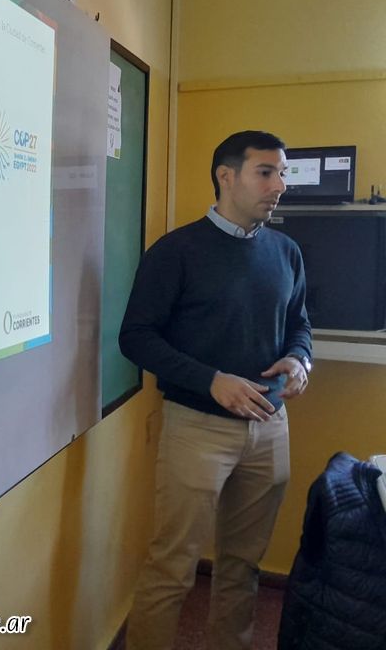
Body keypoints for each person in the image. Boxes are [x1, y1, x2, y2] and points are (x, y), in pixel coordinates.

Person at [120, 130, 313, 650]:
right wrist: (211, 380)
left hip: (269, 427)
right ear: (226, 177)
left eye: (282, 173)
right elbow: (135, 337)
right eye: (265, 173)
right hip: (197, 428)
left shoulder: (287, 252)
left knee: (243, 566)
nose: (280, 185)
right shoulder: (175, 252)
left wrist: (300, 359)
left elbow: (299, 323)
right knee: (173, 567)